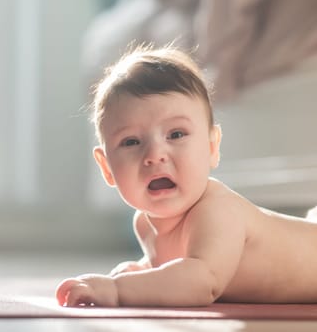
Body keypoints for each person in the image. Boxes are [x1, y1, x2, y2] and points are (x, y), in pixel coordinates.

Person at [55, 45, 317, 307]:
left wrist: (117, 289)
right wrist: (141, 270)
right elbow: (173, 266)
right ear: (106, 167)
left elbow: (201, 281)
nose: (155, 155)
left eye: (176, 134)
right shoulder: (144, 223)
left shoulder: (217, 211)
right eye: (132, 141)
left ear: (212, 147)